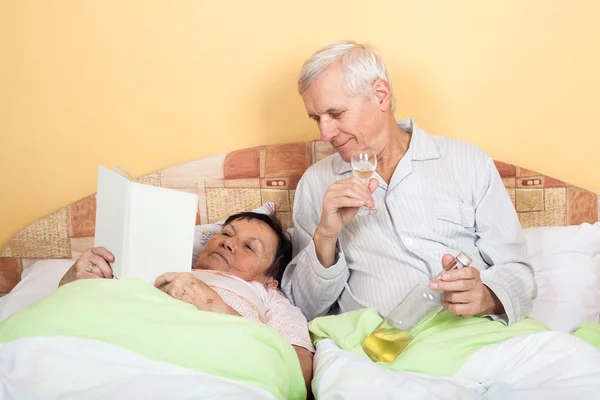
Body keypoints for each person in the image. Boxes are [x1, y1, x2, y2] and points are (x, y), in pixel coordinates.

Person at [281, 40, 537, 326]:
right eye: (317, 118)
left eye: (336, 114)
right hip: (376, 352)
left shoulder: (468, 162)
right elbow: (302, 308)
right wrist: (325, 237)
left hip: (476, 338)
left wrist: (487, 296)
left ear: (380, 95)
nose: (325, 133)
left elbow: (518, 272)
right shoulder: (316, 183)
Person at [59, 212, 314, 393]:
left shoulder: (269, 298)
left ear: (270, 280)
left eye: (249, 247)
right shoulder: (158, 264)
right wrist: (73, 281)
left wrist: (215, 306)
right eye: (226, 234)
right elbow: (70, 316)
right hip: (114, 358)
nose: (228, 243)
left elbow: (300, 373)